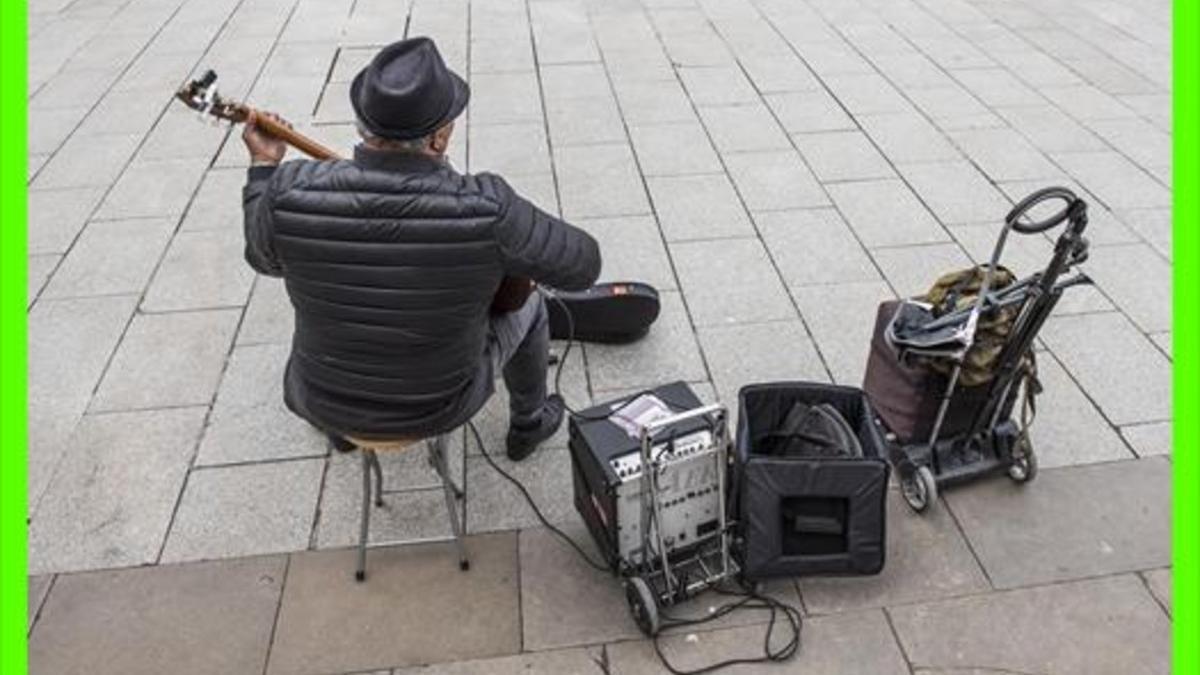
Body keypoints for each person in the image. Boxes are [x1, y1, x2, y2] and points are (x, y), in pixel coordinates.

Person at [241, 37, 601, 460]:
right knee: (530, 305)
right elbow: (584, 265)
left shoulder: (289, 188)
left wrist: (263, 169)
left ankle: (341, 433)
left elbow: (261, 258)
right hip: (440, 405)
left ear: (362, 125)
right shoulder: (488, 208)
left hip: (319, 398)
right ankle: (529, 422)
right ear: (439, 138)